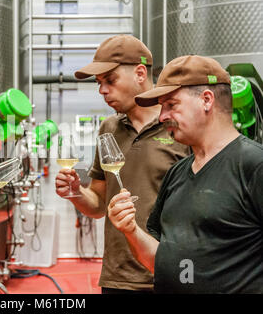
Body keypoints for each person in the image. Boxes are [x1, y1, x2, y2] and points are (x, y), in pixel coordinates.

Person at [109, 55, 263, 293]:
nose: (162, 117)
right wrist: (130, 230)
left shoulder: (254, 165)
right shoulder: (177, 173)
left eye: (171, 105)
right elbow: (159, 261)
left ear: (206, 100)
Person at [54, 35, 189, 294]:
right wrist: (75, 193)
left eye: (110, 80)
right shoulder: (109, 129)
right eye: (99, 83)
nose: (102, 90)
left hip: (168, 275)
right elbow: (97, 205)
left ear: (140, 73)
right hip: (117, 278)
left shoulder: (179, 127)